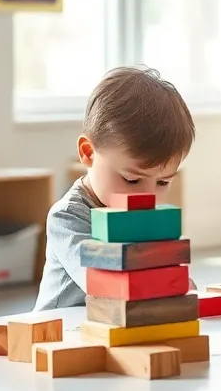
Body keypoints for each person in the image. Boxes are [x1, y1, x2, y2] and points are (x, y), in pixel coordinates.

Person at [35, 67, 196, 311]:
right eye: (132, 180)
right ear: (88, 153)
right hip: (61, 333)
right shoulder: (67, 216)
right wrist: (167, 285)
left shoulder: (142, 217)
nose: (147, 197)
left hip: (116, 328)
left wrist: (178, 283)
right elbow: (102, 281)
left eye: (163, 182)